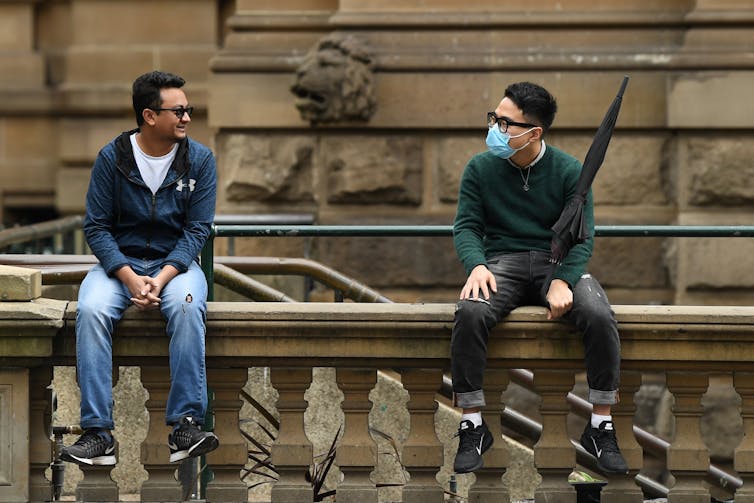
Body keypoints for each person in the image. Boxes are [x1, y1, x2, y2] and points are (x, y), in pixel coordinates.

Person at [450, 81, 628, 475]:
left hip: (555, 260)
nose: (495, 128)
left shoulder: (569, 171)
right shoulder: (480, 169)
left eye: (505, 123)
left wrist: (564, 279)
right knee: (470, 312)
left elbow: (583, 236)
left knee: (599, 314)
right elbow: (465, 226)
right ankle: (472, 423)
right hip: (502, 262)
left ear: (534, 132)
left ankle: (600, 425)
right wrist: (476, 264)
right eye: (493, 118)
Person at [61, 70, 218, 466]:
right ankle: (98, 433)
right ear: (150, 116)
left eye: (189, 110)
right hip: (120, 265)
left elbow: (198, 228)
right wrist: (129, 277)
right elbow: (96, 227)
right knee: (92, 310)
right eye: (178, 110)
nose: (186, 117)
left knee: (185, 306)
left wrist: (163, 277)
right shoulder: (112, 158)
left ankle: (185, 425)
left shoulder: (199, 159)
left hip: (175, 265)